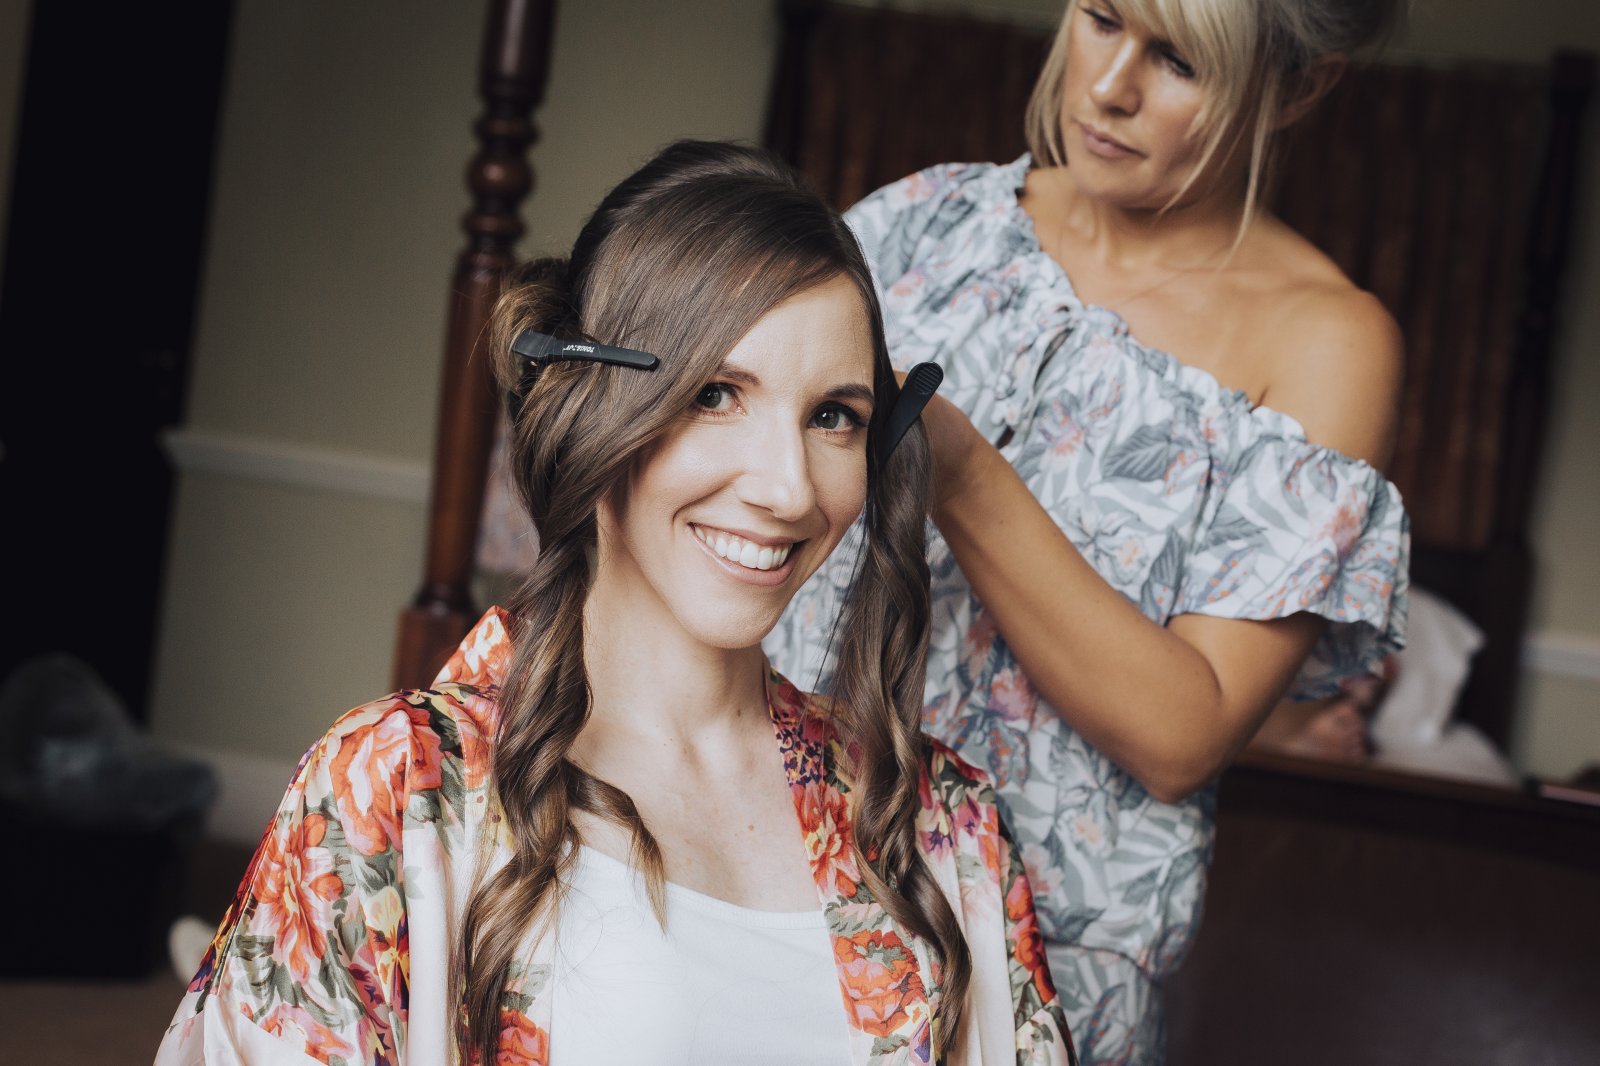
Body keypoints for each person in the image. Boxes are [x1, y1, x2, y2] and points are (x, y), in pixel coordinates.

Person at [154, 141, 1074, 1066]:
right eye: (716, 395)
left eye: (833, 415)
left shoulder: (939, 823)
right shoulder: (391, 789)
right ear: (592, 409)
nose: (789, 489)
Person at [767, 1, 1410, 1060]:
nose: (1110, 87)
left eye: (1179, 61)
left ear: (1300, 88)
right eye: (1102, 17)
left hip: (1029, 971)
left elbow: (1184, 734)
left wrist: (963, 474)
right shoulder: (926, 221)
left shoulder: (1327, 342)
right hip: (767, 871)